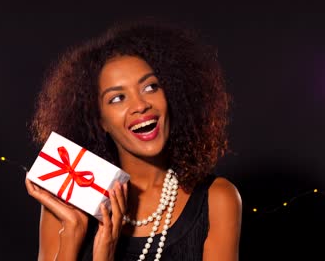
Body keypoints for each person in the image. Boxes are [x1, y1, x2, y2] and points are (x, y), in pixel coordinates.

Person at [25, 18, 242, 261]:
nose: (140, 105)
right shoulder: (68, 201)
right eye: (117, 98)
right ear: (100, 121)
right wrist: (74, 234)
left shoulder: (217, 199)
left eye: (150, 87)